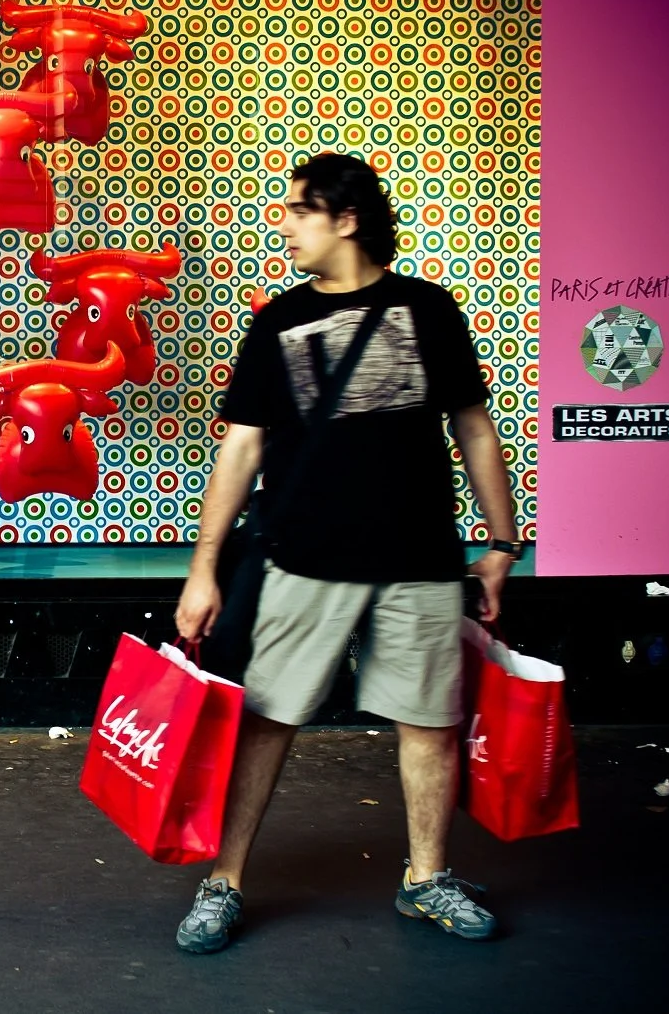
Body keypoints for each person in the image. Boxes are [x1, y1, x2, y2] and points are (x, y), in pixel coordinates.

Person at [173, 152, 521, 953]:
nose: (285, 222)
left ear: (347, 218)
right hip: (303, 561)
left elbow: (473, 428)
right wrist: (203, 569)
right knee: (266, 723)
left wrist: (500, 544)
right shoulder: (278, 322)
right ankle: (222, 883)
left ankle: (426, 880)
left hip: (422, 562)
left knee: (430, 725)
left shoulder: (428, 310)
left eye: (299, 209)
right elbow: (242, 449)